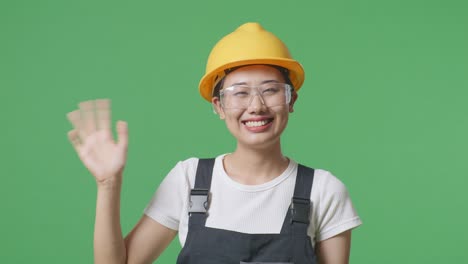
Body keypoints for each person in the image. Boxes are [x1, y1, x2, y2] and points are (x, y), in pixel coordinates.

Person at [66, 22, 362, 264]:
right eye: (240, 93)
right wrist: (108, 184)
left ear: (291, 100)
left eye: (271, 90)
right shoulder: (189, 179)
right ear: (219, 106)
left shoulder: (324, 190)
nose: (256, 106)